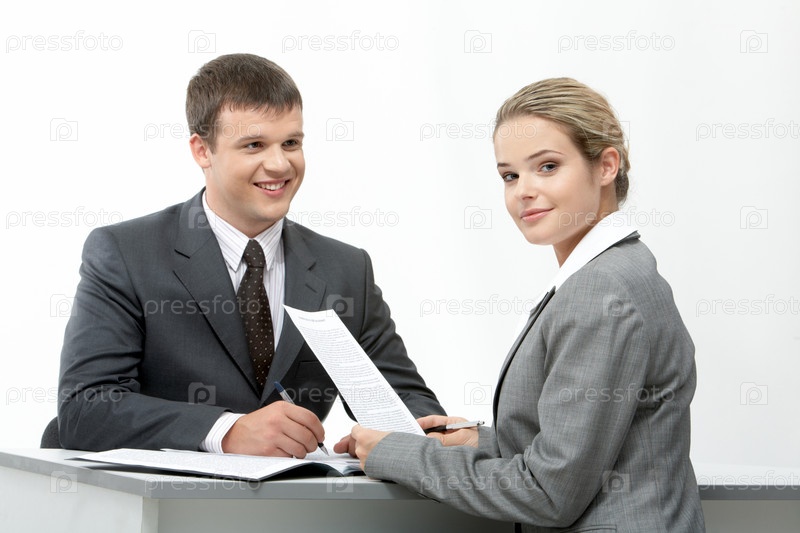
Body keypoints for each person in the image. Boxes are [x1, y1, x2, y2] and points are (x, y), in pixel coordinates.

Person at [348, 78, 705, 532]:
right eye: (510, 175)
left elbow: (549, 492)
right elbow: (589, 445)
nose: (522, 191)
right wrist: (476, 440)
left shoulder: (602, 290)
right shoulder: (614, 272)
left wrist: (398, 454)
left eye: (548, 166)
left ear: (606, 166)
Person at [57, 53, 444, 457]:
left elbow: (406, 403)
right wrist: (227, 431)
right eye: (254, 145)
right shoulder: (126, 254)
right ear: (202, 150)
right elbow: (85, 409)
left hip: (297, 494)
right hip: (166, 495)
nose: (279, 164)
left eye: (291, 143)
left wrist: (422, 439)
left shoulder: (345, 269)